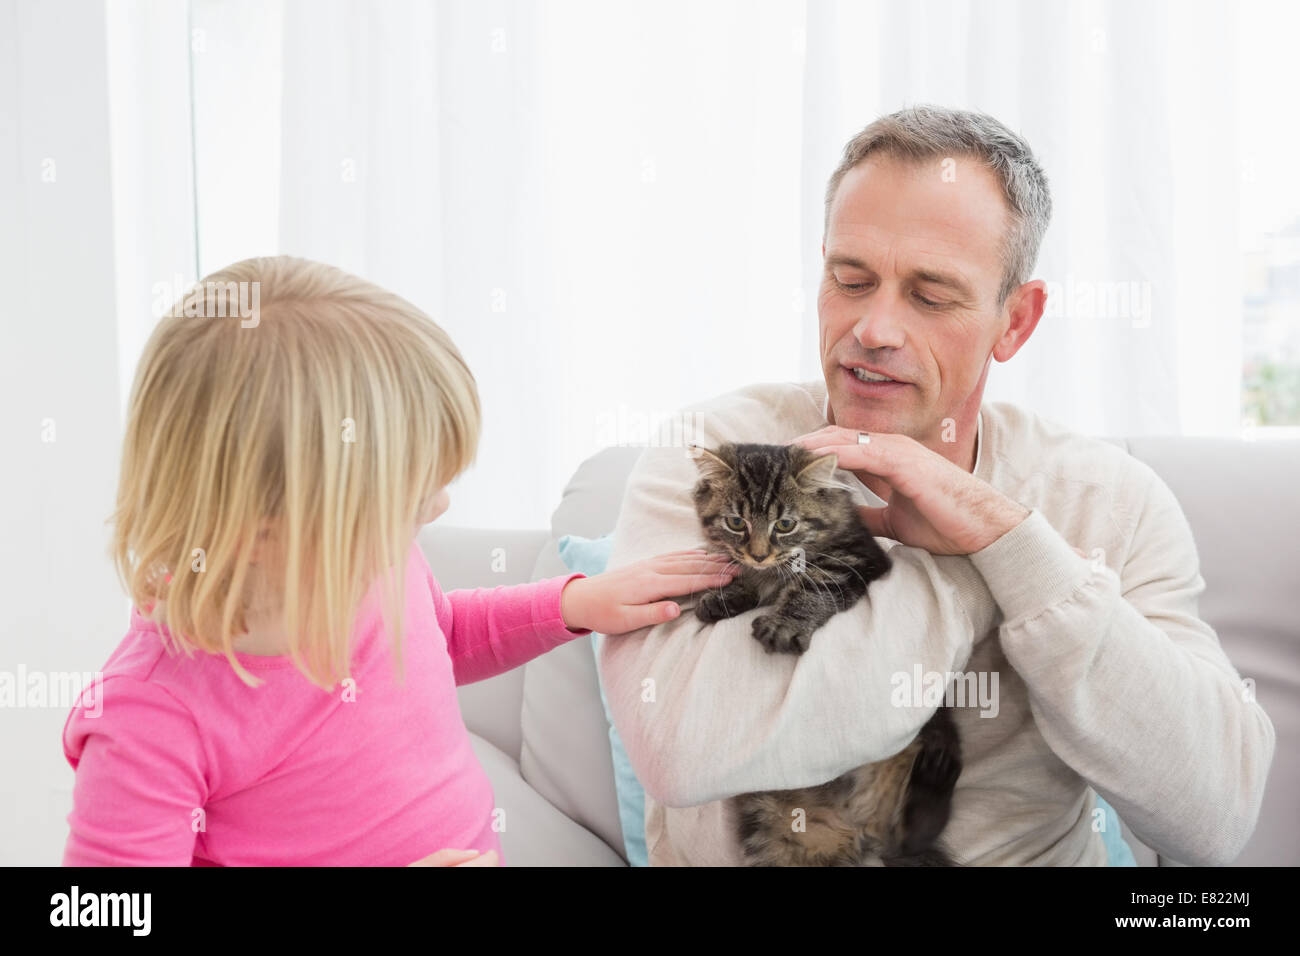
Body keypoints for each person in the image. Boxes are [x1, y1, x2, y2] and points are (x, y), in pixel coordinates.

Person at [600, 105, 1276, 866]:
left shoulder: (1109, 500)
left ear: (1014, 322)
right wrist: (961, 577)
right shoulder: (713, 458)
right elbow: (679, 749)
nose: (874, 329)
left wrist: (1009, 541)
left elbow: (1215, 815)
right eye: (850, 279)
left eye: (929, 295)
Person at [61, 255, 737, 866]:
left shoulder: (368, 569)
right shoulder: (153, 715)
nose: (438, 505)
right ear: (270, 531)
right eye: (406, 496)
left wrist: (570, 605)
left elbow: (433, 636)